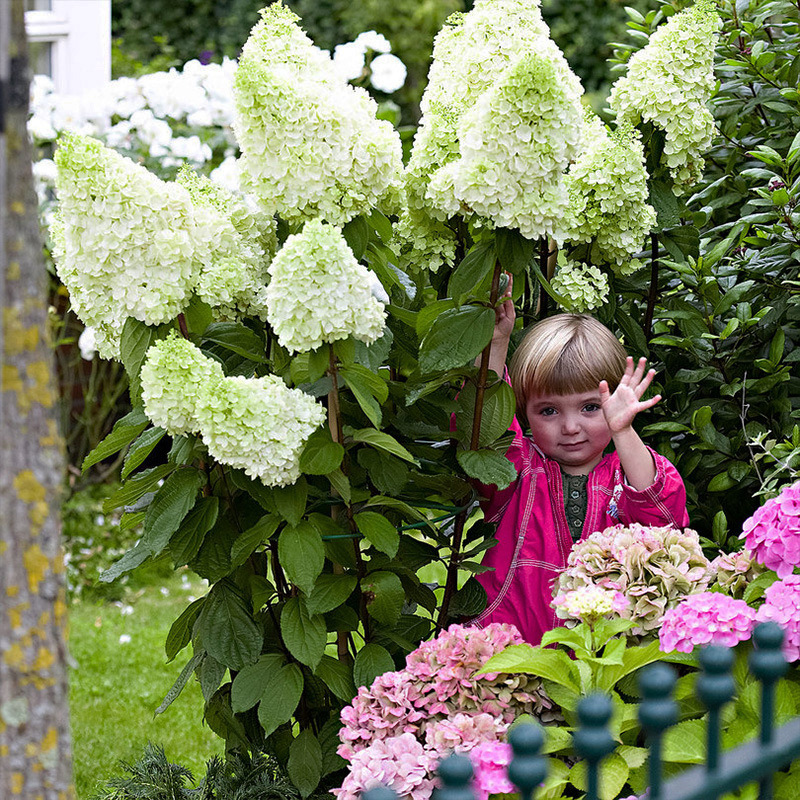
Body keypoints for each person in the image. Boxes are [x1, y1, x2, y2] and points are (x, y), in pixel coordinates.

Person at [469, 277, 689, 646]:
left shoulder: (624, 477)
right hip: (512, 654)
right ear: (523, 410)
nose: (571, 427)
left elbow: (662, 515)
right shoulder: (518, 470)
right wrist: (495, 343)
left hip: (605, 658)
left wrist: (623, 431)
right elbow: (484, 430)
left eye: (590, 407)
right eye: (548, 410)